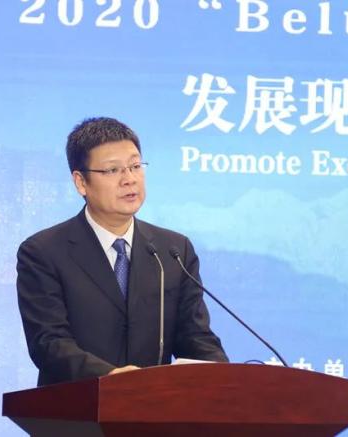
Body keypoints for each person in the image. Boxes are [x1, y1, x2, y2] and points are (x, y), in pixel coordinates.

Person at [16, 117, 228, 386]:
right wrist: (111, 377)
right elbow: (49, 343)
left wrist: (226, 378)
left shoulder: (174, 250)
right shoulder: (43, 252)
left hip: (152, 406)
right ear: (81, 182)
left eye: (135, 166)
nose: (129, 179)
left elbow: (194, 337)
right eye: (112, 170)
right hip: (77, 405)